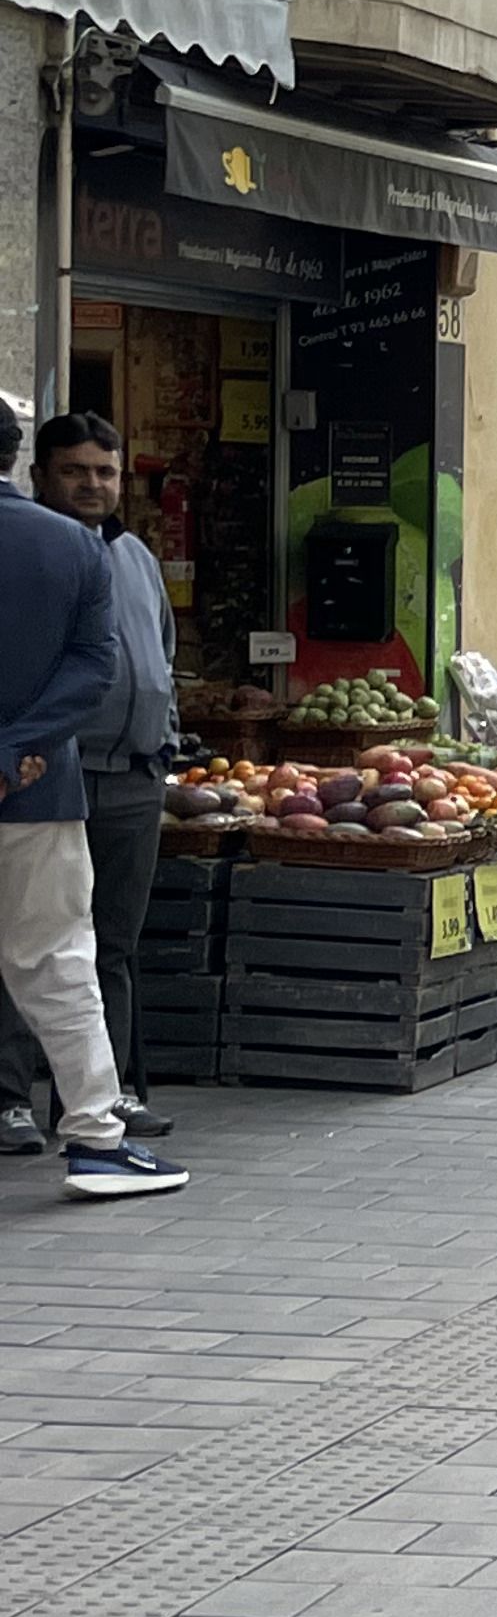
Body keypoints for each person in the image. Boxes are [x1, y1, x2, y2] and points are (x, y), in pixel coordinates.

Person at [0, 400, 183, 1200]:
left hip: (73, 776)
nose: (91, 484)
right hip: (38, 789)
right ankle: (96, 1139)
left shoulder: (115, 551)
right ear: (21, 464)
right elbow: (92, 668)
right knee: (59, 960)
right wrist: (23, 749)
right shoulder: (72, 549)